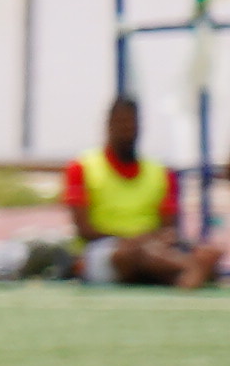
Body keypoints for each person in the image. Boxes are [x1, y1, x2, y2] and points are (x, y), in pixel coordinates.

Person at [62, 94, 213, 285]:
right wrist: (133, 240)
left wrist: (147, 240)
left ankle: (182, 272)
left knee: (202, 250)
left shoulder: (161, 173)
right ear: (108, 125)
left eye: (131, 122)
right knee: (129, 254)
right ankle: (187, 268)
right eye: (120, 122)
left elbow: (168, 227)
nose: (126, 129)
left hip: (153, 246)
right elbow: (84, 231)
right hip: (104, 251)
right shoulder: (82, 167)